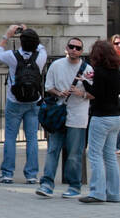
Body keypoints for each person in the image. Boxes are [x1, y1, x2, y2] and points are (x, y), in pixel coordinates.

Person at [37, 36, 90, 198]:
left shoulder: (88, 70)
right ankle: (46, 184)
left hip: (78, 115)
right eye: (71, 46)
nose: (74, 50)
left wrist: (81, 93)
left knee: (74, 153)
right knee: (53, 150)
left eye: (78, 48)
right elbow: (48, 87)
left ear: (81, 52)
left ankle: (74, 186)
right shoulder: (56, 65)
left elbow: (94, 94)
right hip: (58, 114)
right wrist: (59, 92)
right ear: (66, 48)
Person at [0, 24, 46, 185]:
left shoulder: (12, 56)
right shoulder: (41, 56)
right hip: (34, 101)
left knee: (10, 136)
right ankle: (31, 175)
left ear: (21, 42)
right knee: (32, 138)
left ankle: (7, 173)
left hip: (14, 101)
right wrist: (27, 30)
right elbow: (40, 45)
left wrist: (7, 36)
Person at [80, 39, 120, 204]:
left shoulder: (99, 71)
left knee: (95, 154)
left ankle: (97, 192)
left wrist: (85, 81)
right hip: (115, 117)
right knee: (110, 156)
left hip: (101, 117)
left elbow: (95, 93)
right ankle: (113, 194)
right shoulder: (116, 72)